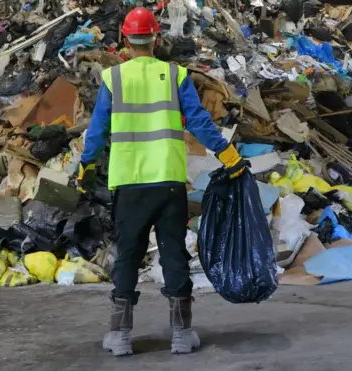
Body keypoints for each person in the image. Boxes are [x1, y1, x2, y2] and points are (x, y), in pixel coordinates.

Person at [76, 7, 244, 356]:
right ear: (157, 38)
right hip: (168, 182)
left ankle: (120, 336)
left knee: (127, 256)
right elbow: (198, 121)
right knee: (173, 254)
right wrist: (227, 154)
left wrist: (86, 166)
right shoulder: (175, 75)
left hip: (129, 182)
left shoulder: (114, 79)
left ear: (125, 38)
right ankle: (182, 334)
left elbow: (96, 131)